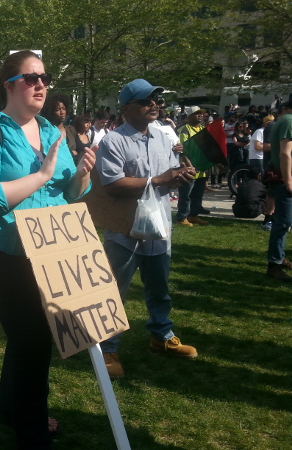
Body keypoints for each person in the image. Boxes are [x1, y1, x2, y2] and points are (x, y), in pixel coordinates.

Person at [0, 50, 94, 449]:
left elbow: (67, 191)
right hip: (3, 249)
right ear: (8, 85)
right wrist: (40, 176)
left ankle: (9, 406)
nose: (40, 85)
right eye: (30, 78)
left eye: (44, 78)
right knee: (34, 338)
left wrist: (82, 176)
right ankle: (31, 434)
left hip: (51, 247)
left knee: (27, 337)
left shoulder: (53, 131)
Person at [95, 79, 198, 380]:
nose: (154, 105)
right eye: (146, 100)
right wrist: (160, 180)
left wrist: (180, 175)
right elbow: (113, 185)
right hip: (124, 232)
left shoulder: (163, 138)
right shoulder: (113, 141)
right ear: (126, 108)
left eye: (156, 100)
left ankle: (161, 336)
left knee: (159, 289)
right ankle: (107, 346)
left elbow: (168, 176)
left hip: (159, 229)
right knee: (115, 290)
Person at [266, 100, 292, 282]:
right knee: (283, 222)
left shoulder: (285, 120)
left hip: (284, 179)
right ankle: (274, 264)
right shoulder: (289, 120)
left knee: (284, 222)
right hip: (284, 180)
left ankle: (279, 257)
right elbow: (285, 153)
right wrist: (289, 180)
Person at [175, 106, 210, 226]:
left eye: (201, 113)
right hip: (189, 168)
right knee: (186, 194)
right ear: (189, 116)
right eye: (197, 113)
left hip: (201, 167)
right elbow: (183, 150)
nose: (200, 115)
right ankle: (181, 217)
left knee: (197, 194)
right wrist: (190, 166)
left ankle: (193, 215)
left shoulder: (202, 129)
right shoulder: (184, 130)